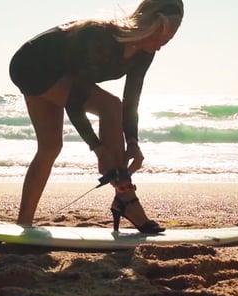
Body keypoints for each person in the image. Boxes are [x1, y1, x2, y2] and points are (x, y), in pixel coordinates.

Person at [9, 0, 184, 233]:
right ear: (146, 26)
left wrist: (132, 141)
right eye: (157, 38)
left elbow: (132, 99)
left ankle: (24, 223)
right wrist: (98, 149)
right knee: (110, 106)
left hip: (54, 70)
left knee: (50, 147)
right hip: (30, 65)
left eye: (167, 41)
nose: (160, 46)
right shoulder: (100, 39)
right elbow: (75, 102)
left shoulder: (145, 53)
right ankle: (126, 198)